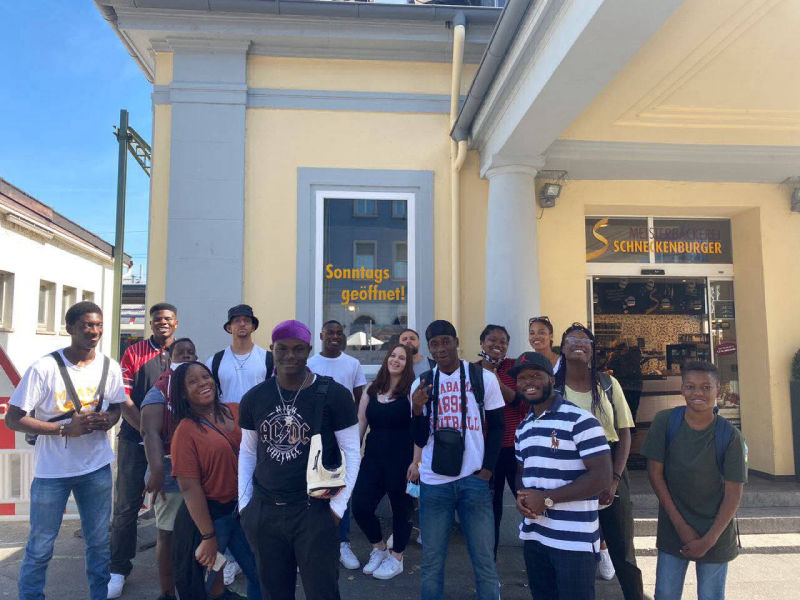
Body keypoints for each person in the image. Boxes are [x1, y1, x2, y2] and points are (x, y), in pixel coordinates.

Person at [6, 302, 126, 600]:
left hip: (96, 467)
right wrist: (62, 430)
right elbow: (13, 418)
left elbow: (116, 406)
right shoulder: (44, 368)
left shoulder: (110, 366)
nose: (94, 331)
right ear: (70, 327)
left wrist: (108, 420)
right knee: (40, 546)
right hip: (52, 472)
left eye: (98, 325)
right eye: (87, 325)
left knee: (99, 544)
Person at [238, 320, 361, 600]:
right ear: (272, 349)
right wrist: (245, 505)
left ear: (309, 350)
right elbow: (247, 452)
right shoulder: (255, 397)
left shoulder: (335, 395)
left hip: (315, 510)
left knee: (322, 592)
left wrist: (337, 508)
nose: (290, 355)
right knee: (274, 593)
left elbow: (352, 452)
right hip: (266, 510)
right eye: (282, 349)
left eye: (298, 349)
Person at [410, 319, 504, 600]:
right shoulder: (422, 382)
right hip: (434, 482)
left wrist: (487, 470)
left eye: (445, 342)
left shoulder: (482, 377)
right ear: (429, 348)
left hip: (473, 480)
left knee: (484, 561)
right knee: (431, 562)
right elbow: (419, 438)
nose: (441, 348)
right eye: (434, 344)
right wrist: (417, 409)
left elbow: (497, 426)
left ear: (456, 342)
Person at [641, 361, 746, 600]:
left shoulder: (730, 436)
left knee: (711, 595)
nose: (698, 393)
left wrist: (709, 539)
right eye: (690, 386)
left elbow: (733, 494)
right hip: (674, 528)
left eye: (706, 387)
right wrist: (681, 526)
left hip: (716, 532)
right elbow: (655, 474)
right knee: (665, 593)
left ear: (718, 390)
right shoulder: (665, 422)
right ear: (682, 389)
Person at [512, 351, 612, 600]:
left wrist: (547, 499)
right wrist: (522, 499)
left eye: (535, 375)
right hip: (535, 535)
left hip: (574, 542)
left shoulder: (581, 420)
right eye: (522, 378)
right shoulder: (523, 428)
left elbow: (602, 478)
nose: (528, 382)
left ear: (552, 380)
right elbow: (523, 474)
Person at [554, 323, 643, 599]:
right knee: (576, 550)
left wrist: (614, 480)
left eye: (585, 341)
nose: (578, 344)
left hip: (610, 464)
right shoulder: (553, 388)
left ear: (593, 350)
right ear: (562, 348)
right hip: (569, 469)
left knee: (622, 549)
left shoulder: (608, 384)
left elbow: (624, 433)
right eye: (572, 339)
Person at [169, 362, 261, 600]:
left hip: (244, 511)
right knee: (206, 586)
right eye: (193, 381)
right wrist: (208, 536)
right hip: (213, 517)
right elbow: (190, 488)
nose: (203, 383)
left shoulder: (237, 410)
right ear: (183, 393)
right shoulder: (185, 431)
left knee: (261, 575)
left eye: (205, 376)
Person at [109, 302, 178, 598]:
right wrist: (146, 432)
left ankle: (182, 567)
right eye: (157, 319)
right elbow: (122, 398)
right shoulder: (133, 352)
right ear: (151, 324)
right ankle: (118, 569)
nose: (163, 323)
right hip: (133, 442)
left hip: (173, 447)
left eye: (168, 319)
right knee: (126, 507)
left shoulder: (182, 353)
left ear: (176, 323)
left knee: (177, 506)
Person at [205, 304, 271, 584]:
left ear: (253, 326)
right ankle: (232, 558)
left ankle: (263, 552)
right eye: (237, 321)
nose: (242, 325)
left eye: (246, 320)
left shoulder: (267, 359)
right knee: (230, 494)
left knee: (261, 491)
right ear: (229, 327)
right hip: (227, 436)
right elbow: (208, 399)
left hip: (261, 434)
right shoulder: (216, 360)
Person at [140, 337, 197, 600]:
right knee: (168, 534)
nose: (186, 356)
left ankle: (202, 590)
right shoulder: (160, 390)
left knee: (203, 534)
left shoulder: (202, 385)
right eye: (180, 352)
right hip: (170, 468)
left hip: (201, 469)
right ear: (170, 358)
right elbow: (149, 431)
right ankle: (167, 592)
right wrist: (156, 470)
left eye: (190, 352)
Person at [306, 319, 366, 569]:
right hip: (314, 436)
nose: (335, 336)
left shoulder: (352, 364)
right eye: (330, 332)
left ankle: (342, 542)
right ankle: (309, 542)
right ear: (321, 336)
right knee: (311, 487)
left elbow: (359, 400)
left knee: (342, 486)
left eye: (339, 333)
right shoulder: (310, 364)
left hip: (342, 435)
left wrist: (355, 433)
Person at [352, 343, 415, 580]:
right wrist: (352, 455)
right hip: (373, 459)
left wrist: (417, 463)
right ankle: (378, 548)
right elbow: (361, 422)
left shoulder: (411, 391)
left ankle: (397, 557)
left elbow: (419, 429)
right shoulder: (372, 389)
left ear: (408, 364)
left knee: (401, 509)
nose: (396, 360)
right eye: (393, 356)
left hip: (402, 461)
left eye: (402, 358)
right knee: (360, 505)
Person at [474, 324, 526, 559]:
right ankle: (489, 562)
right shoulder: (471, 370)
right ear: (482, 343)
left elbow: (521, 403)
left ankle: (540, 554)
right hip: (487, 450)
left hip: (515, 449)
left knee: (526, 499)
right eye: (492, 340)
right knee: (490, 509)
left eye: (503, 341)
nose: (497, 345)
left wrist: (494, 377)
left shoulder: (515, 368)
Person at [607, 340, 643, 422]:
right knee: (633, 410)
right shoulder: (635, 353)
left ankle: (626, 427)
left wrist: (612, 356)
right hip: (636, 386)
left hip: (623, 386)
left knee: (622, 410)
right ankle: (632, 427)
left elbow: (609, 366)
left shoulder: (616, 356)